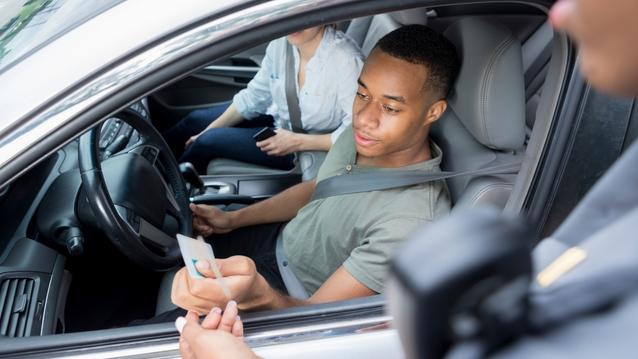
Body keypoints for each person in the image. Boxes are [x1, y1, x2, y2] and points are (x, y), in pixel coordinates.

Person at [173, 24, 460, 357]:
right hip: (280, 239)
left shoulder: (410, 220)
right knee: (167, 246)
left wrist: (260, 295)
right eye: (362, 94)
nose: (364, 118)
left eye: (390, 108)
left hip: (287, 293)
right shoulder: (363, 139)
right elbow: (316, 189)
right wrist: (232, 220)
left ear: (433, 112)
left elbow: (317, 322)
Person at [163, 25, 364, 174]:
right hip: (280, 120)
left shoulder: (346, 61)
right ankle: (146, 155)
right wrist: (205, 130)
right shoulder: (281, 45)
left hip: (307, 145)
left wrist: (297, 142)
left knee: (207, 142)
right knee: (196, 121)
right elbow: (253, 97)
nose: (294, 23)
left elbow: (354, 134)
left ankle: (168, 186)